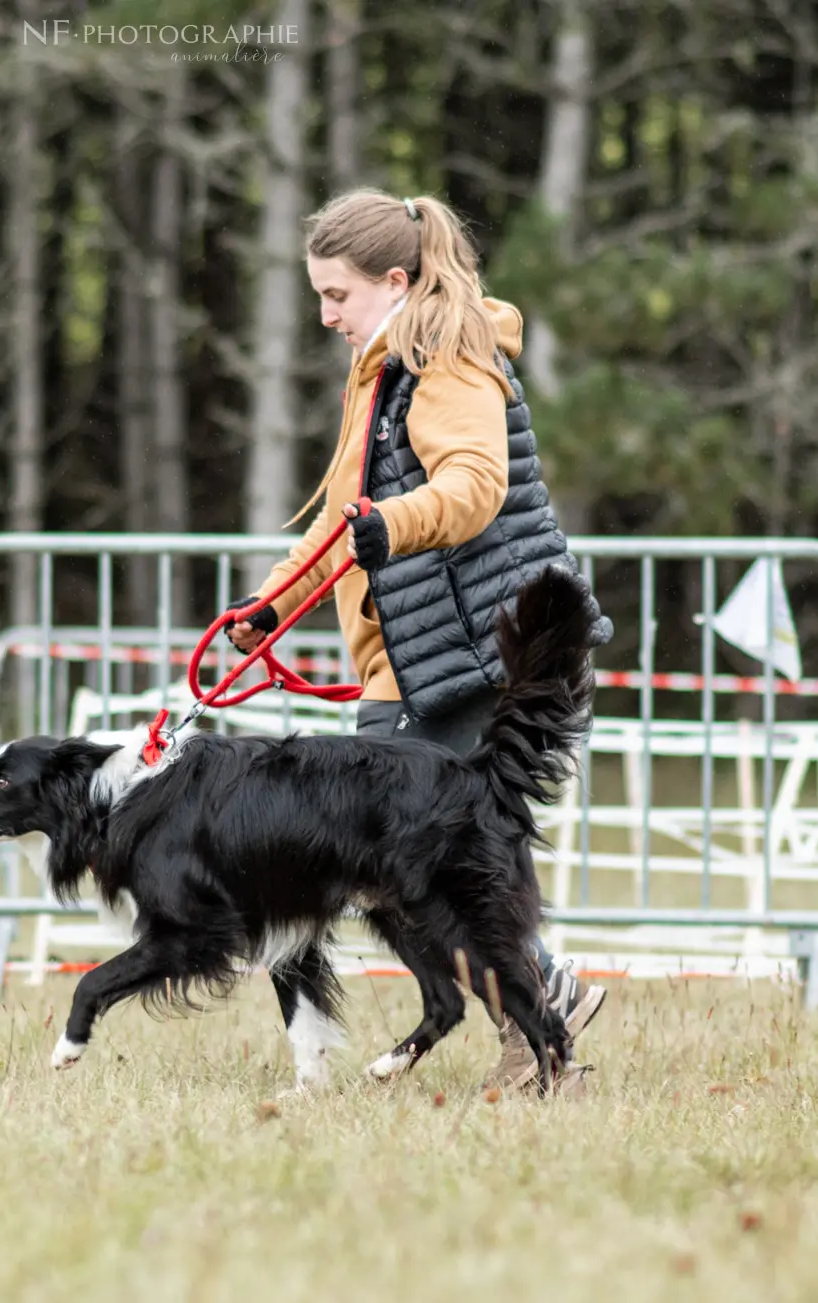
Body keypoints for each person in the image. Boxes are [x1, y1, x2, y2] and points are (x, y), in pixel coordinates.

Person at [224, 187, 614, 1091]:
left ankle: (541, 1007)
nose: (324, 315)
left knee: (411, 871)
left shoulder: (447, 363)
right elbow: (338, 519)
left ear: (394, 280)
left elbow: (474, 482)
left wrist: (392, 527)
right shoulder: (385, 365)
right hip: (417, 662)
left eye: (337, 296)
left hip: (465, 660)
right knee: (435, 874)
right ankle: (539, 1031)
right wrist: (269, 609)